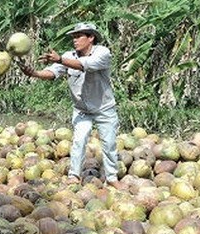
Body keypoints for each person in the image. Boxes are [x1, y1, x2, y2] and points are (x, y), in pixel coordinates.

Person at [17, 23, 125, 189]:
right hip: (82, 110)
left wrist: (60, 59)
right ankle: (74, 175)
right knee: (79, 141)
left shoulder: (102, 53)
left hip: (104, 109)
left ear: (91, 38)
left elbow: (83, 65)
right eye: (73, 37)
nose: (74, 40)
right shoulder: (69, 55)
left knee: (109, 144)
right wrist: (34, 73)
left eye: (78, 36)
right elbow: (53, 73)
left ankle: (111, 178)